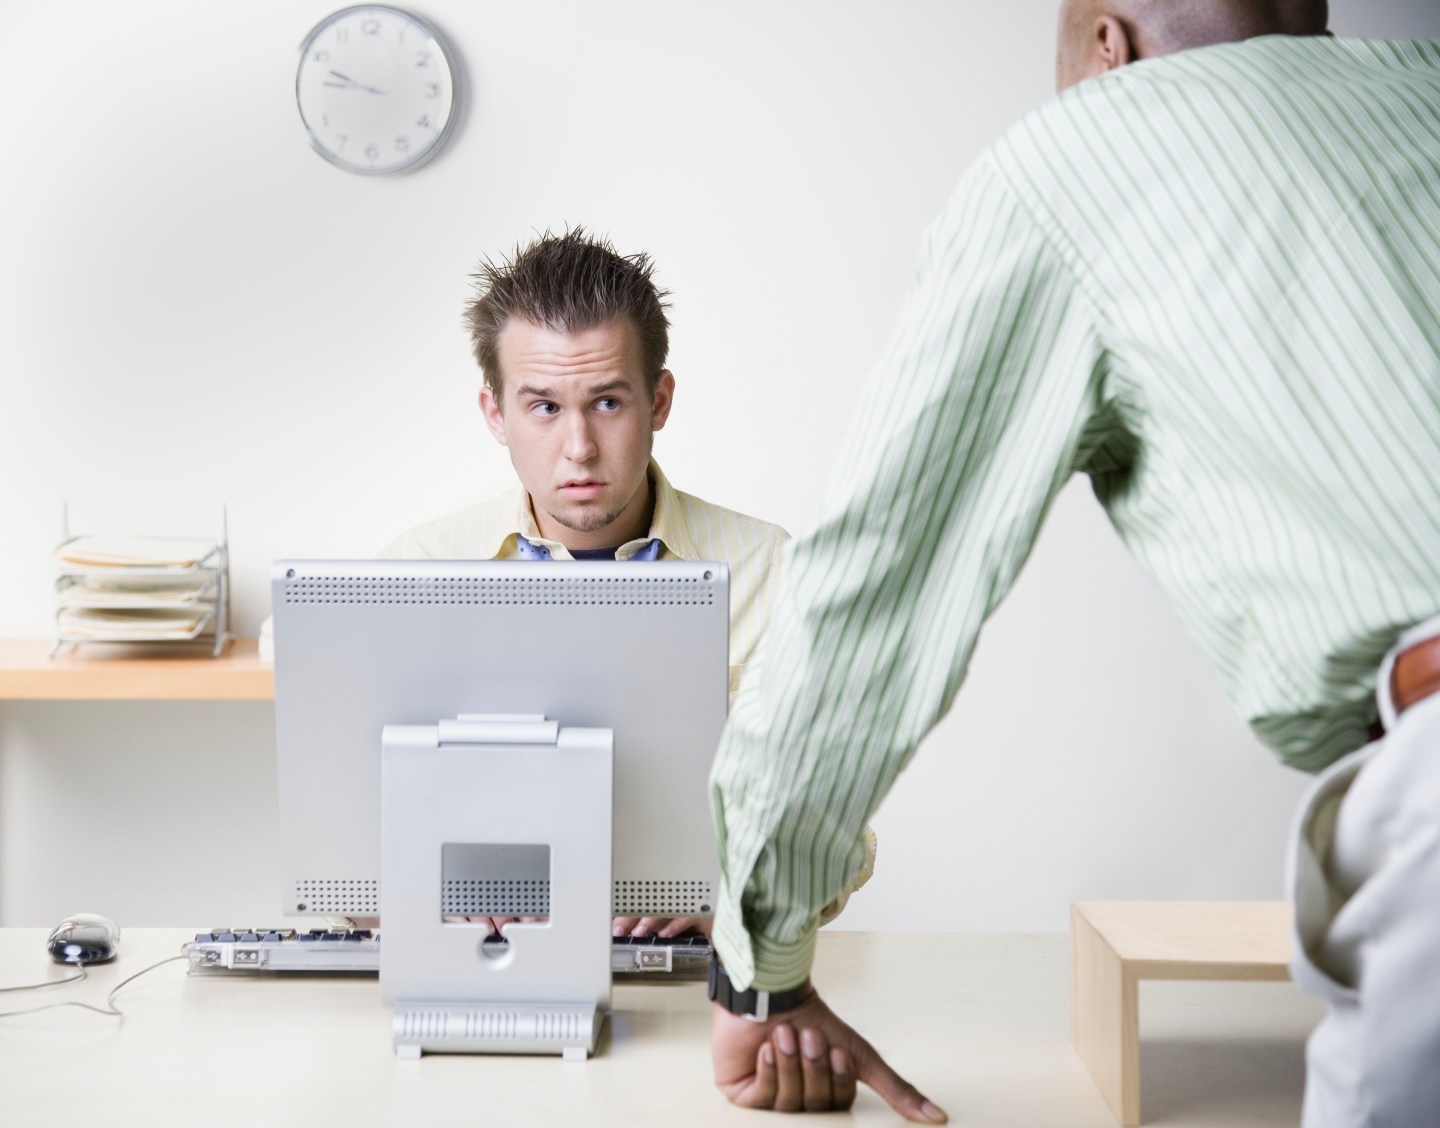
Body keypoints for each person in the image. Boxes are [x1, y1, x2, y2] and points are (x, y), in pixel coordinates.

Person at [704, 3, 1440, 1125]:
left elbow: (876, 587)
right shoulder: (1423, 83)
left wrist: (761, 967)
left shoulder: (1078, 161)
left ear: (1109, 46)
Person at [382, 228, 875, 938]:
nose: (578, 447)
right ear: (497, 413)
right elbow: (347, 851)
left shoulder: (771, 572)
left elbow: (844, 836)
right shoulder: (420, 568)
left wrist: (722, 888)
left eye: (608, 403)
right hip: (476, 959)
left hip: (690, 979)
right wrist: (428, 891)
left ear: (660, 401)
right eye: (544, 407)